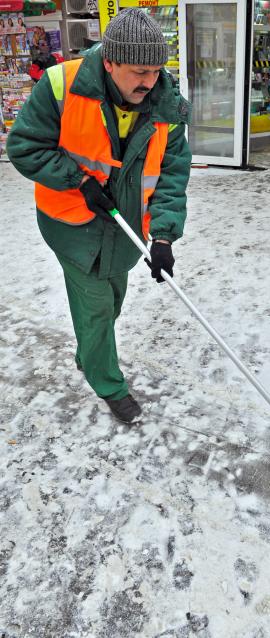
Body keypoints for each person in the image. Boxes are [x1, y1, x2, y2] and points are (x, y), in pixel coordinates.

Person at [7, 8, 192, 423]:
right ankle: (109, 384)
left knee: (113, 300)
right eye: (139, 71)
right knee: (95, 308)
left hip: (124, 228)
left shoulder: (168, 106)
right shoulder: (61, 86)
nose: (150, 81)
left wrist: (162, 238)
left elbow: (171, 177)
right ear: (110, 62)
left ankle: (88, 351)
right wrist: (77, 180)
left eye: (156, 70)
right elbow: (23, 147)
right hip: (72, 223)